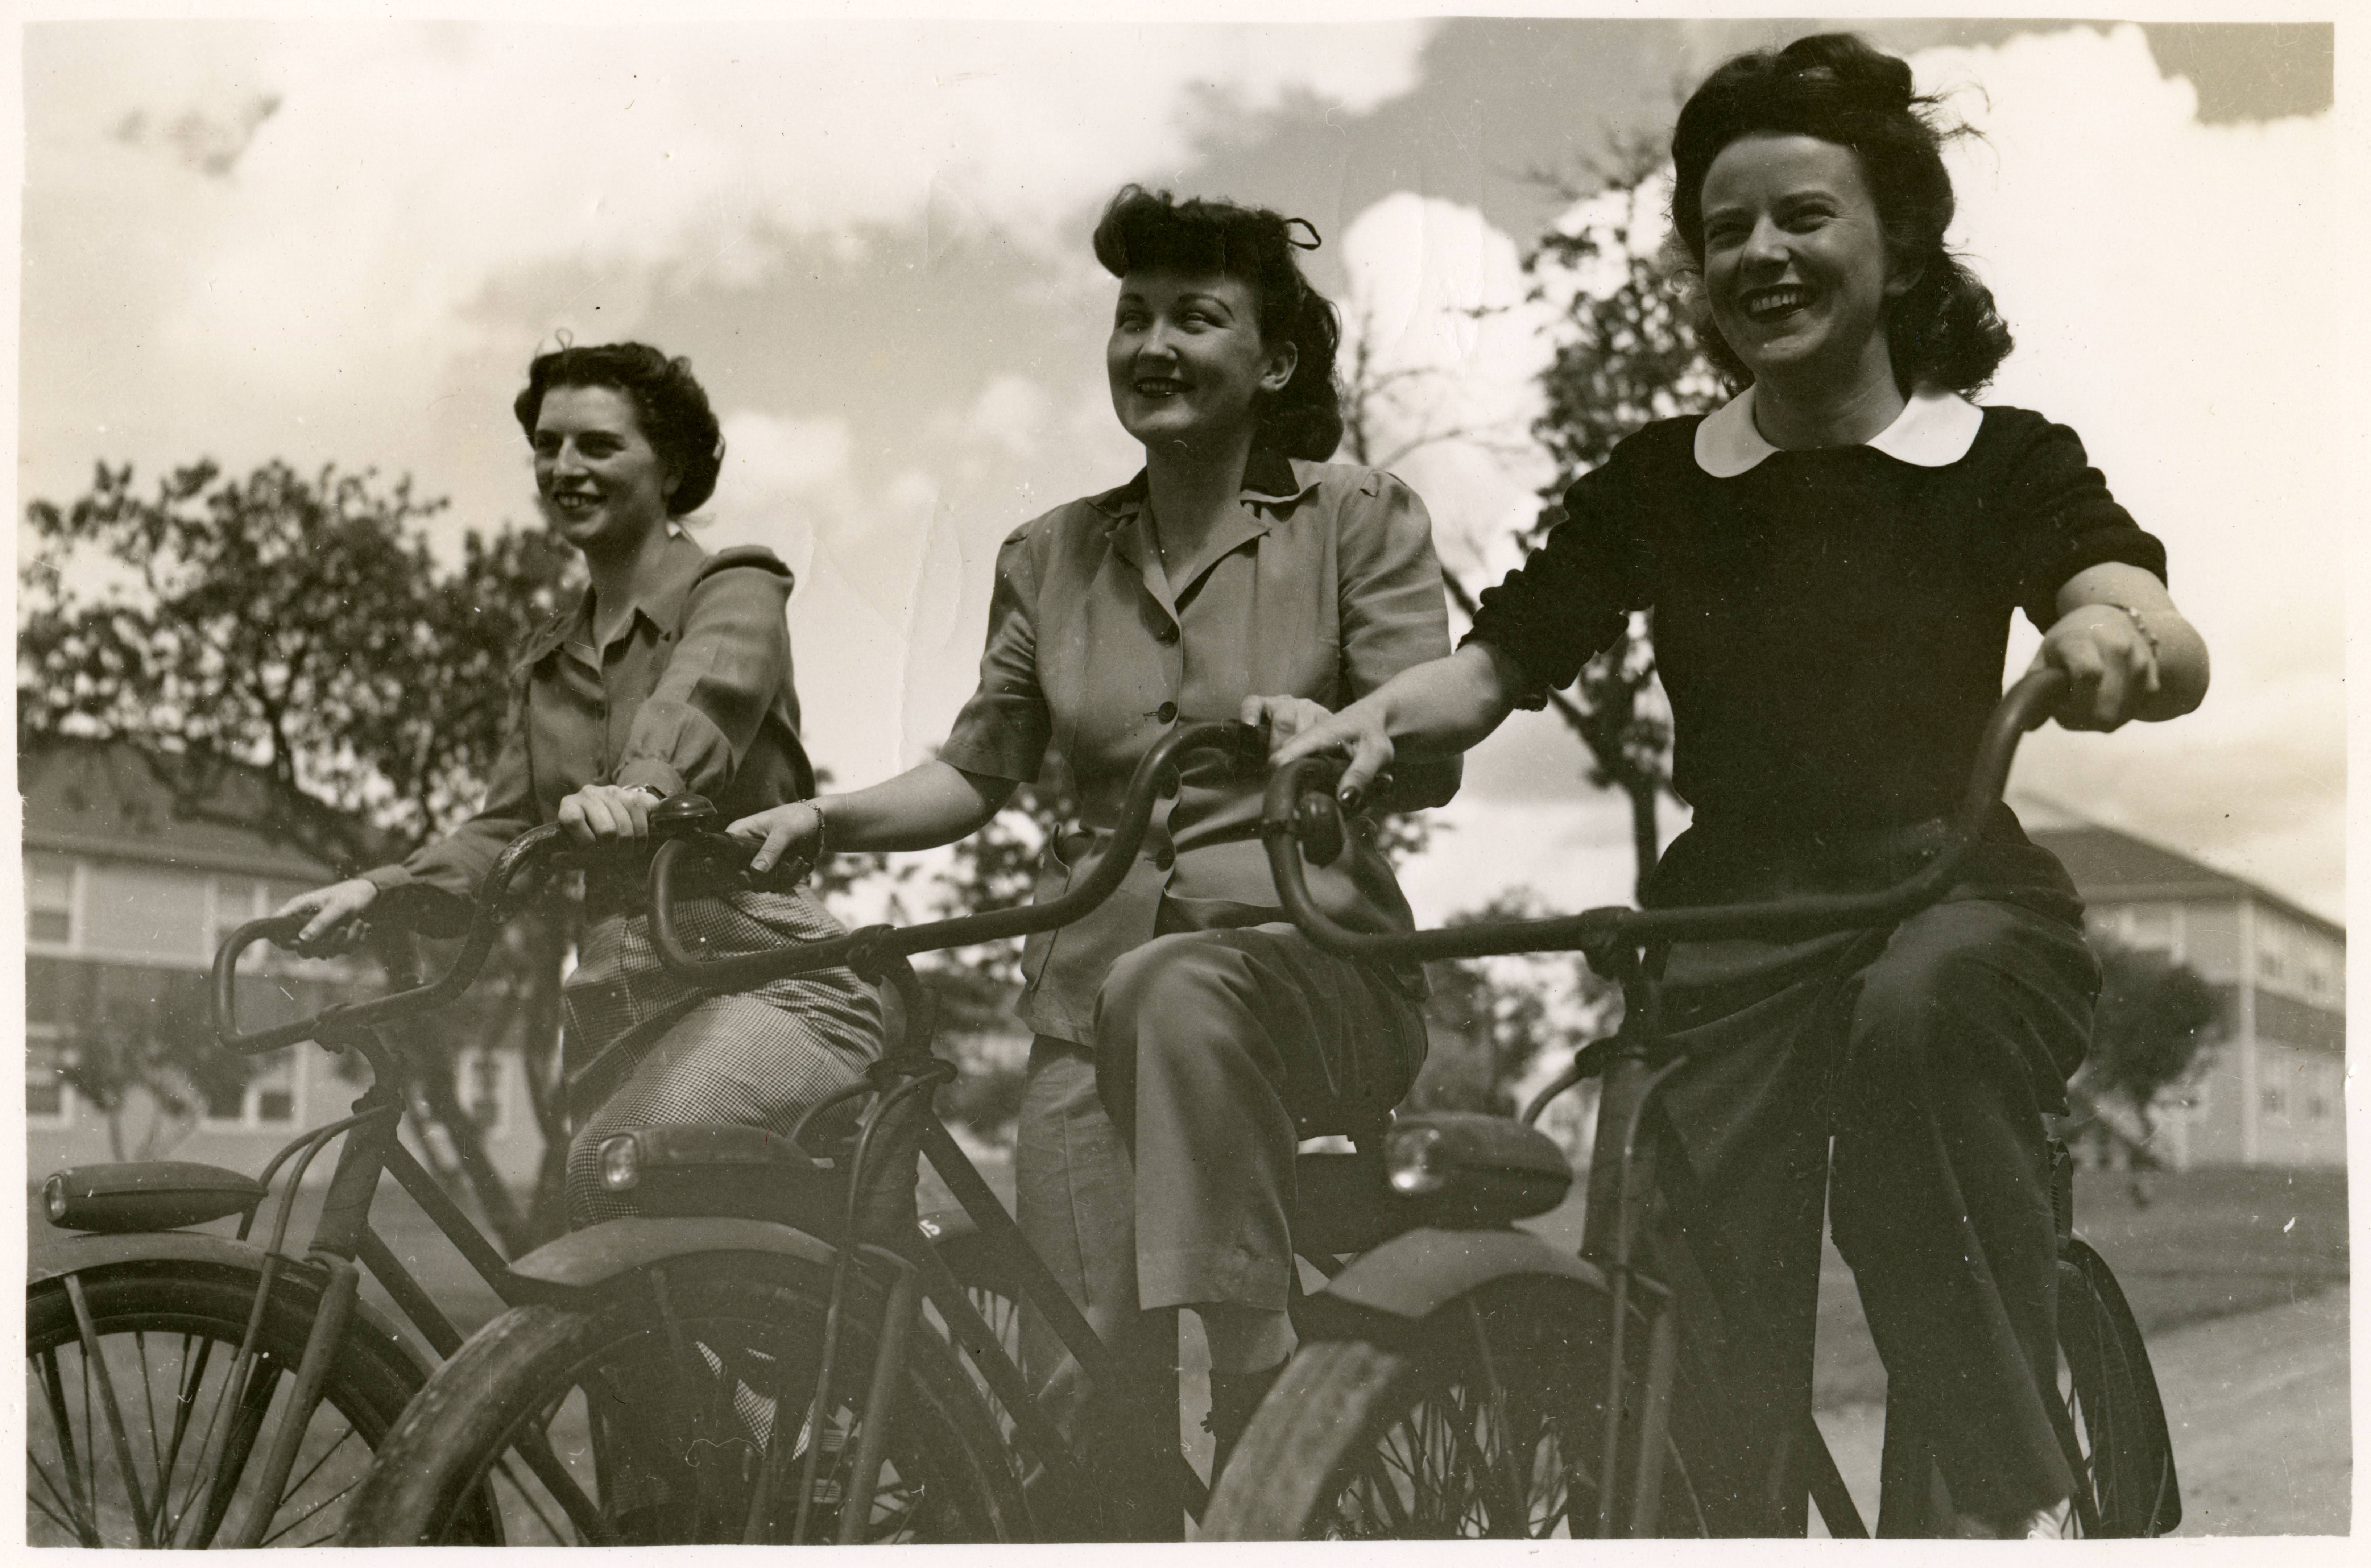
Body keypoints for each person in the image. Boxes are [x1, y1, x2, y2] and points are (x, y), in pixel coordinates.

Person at [1260, 34, 2207, 1540]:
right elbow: (1502, 659)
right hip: (1736, 923)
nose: (1758, 251)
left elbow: (2150, 617)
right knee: (1687, 1280)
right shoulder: (1659, 479)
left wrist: (2112, 636)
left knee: (1920, 1021)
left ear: (1899, 251)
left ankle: (2008, 1507)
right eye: (1724, 230)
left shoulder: (2001, 457)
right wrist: (1373, 722)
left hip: (1947, 895)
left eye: (1802, 217)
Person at [728, 186, 1457, 1509]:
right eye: (1133, 317)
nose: (1154, 344)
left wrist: (1344, 727)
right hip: (1088, 1017)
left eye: (1197, 315)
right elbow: (974, 768)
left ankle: (1261, 1422)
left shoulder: (1359, 517)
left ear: (1276, 361)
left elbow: (1435, 740)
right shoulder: (1050, 555)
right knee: (1071, 1394)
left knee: (1178, 1000)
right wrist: (827, 819)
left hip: (1309, 970)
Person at [275, 341, 882, 1230]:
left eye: (598, 446)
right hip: (613, 990)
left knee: (620, 1171)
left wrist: (637, 792)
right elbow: (505, 832)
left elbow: (703, 701)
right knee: (615, 1277)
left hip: (762, 970)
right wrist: (381, 888)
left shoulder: (735, 587)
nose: (566, 468)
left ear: (671, 464)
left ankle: (786, 1367)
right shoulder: (546, 658)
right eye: (549, 447)